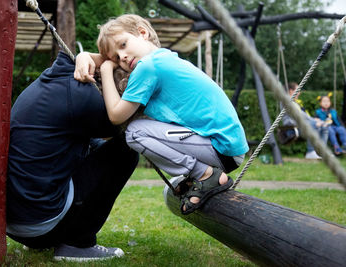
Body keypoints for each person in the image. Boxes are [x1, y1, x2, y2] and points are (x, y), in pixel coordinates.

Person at [74, 14, 249, 215]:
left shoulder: (148, 68)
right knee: (138, 130)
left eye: (123, 44)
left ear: (142, 33)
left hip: (221, 148)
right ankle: (201, 175)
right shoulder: (163, 58)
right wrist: (83, 56)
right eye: (115, 58)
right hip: (225, 146)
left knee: (135, 132)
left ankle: (205, 175)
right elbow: (104, 58)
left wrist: (105, 69)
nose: (121, 57)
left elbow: (115, 116)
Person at [6, 51, 139, 262]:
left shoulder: (57, 82)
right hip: (42, 228)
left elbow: (89, 144)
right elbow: (130, 126)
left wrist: (86, 55)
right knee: (127, 149)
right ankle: (79, 244)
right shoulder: (84, 97)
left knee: (97, 147)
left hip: (18, 226)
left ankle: (69, 236)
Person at [282, 82, 328, 159]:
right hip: (292, 129)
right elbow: (299, 115)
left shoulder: (295, 102)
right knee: (313, 125)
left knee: (324, 127)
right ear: (291, 91)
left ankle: (322, 152)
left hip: (301, 126)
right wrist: (314, 122)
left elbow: (304, 115)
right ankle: (310, 152)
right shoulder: (286, 101)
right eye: (298, 90)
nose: (299, 93)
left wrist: (315, 120)